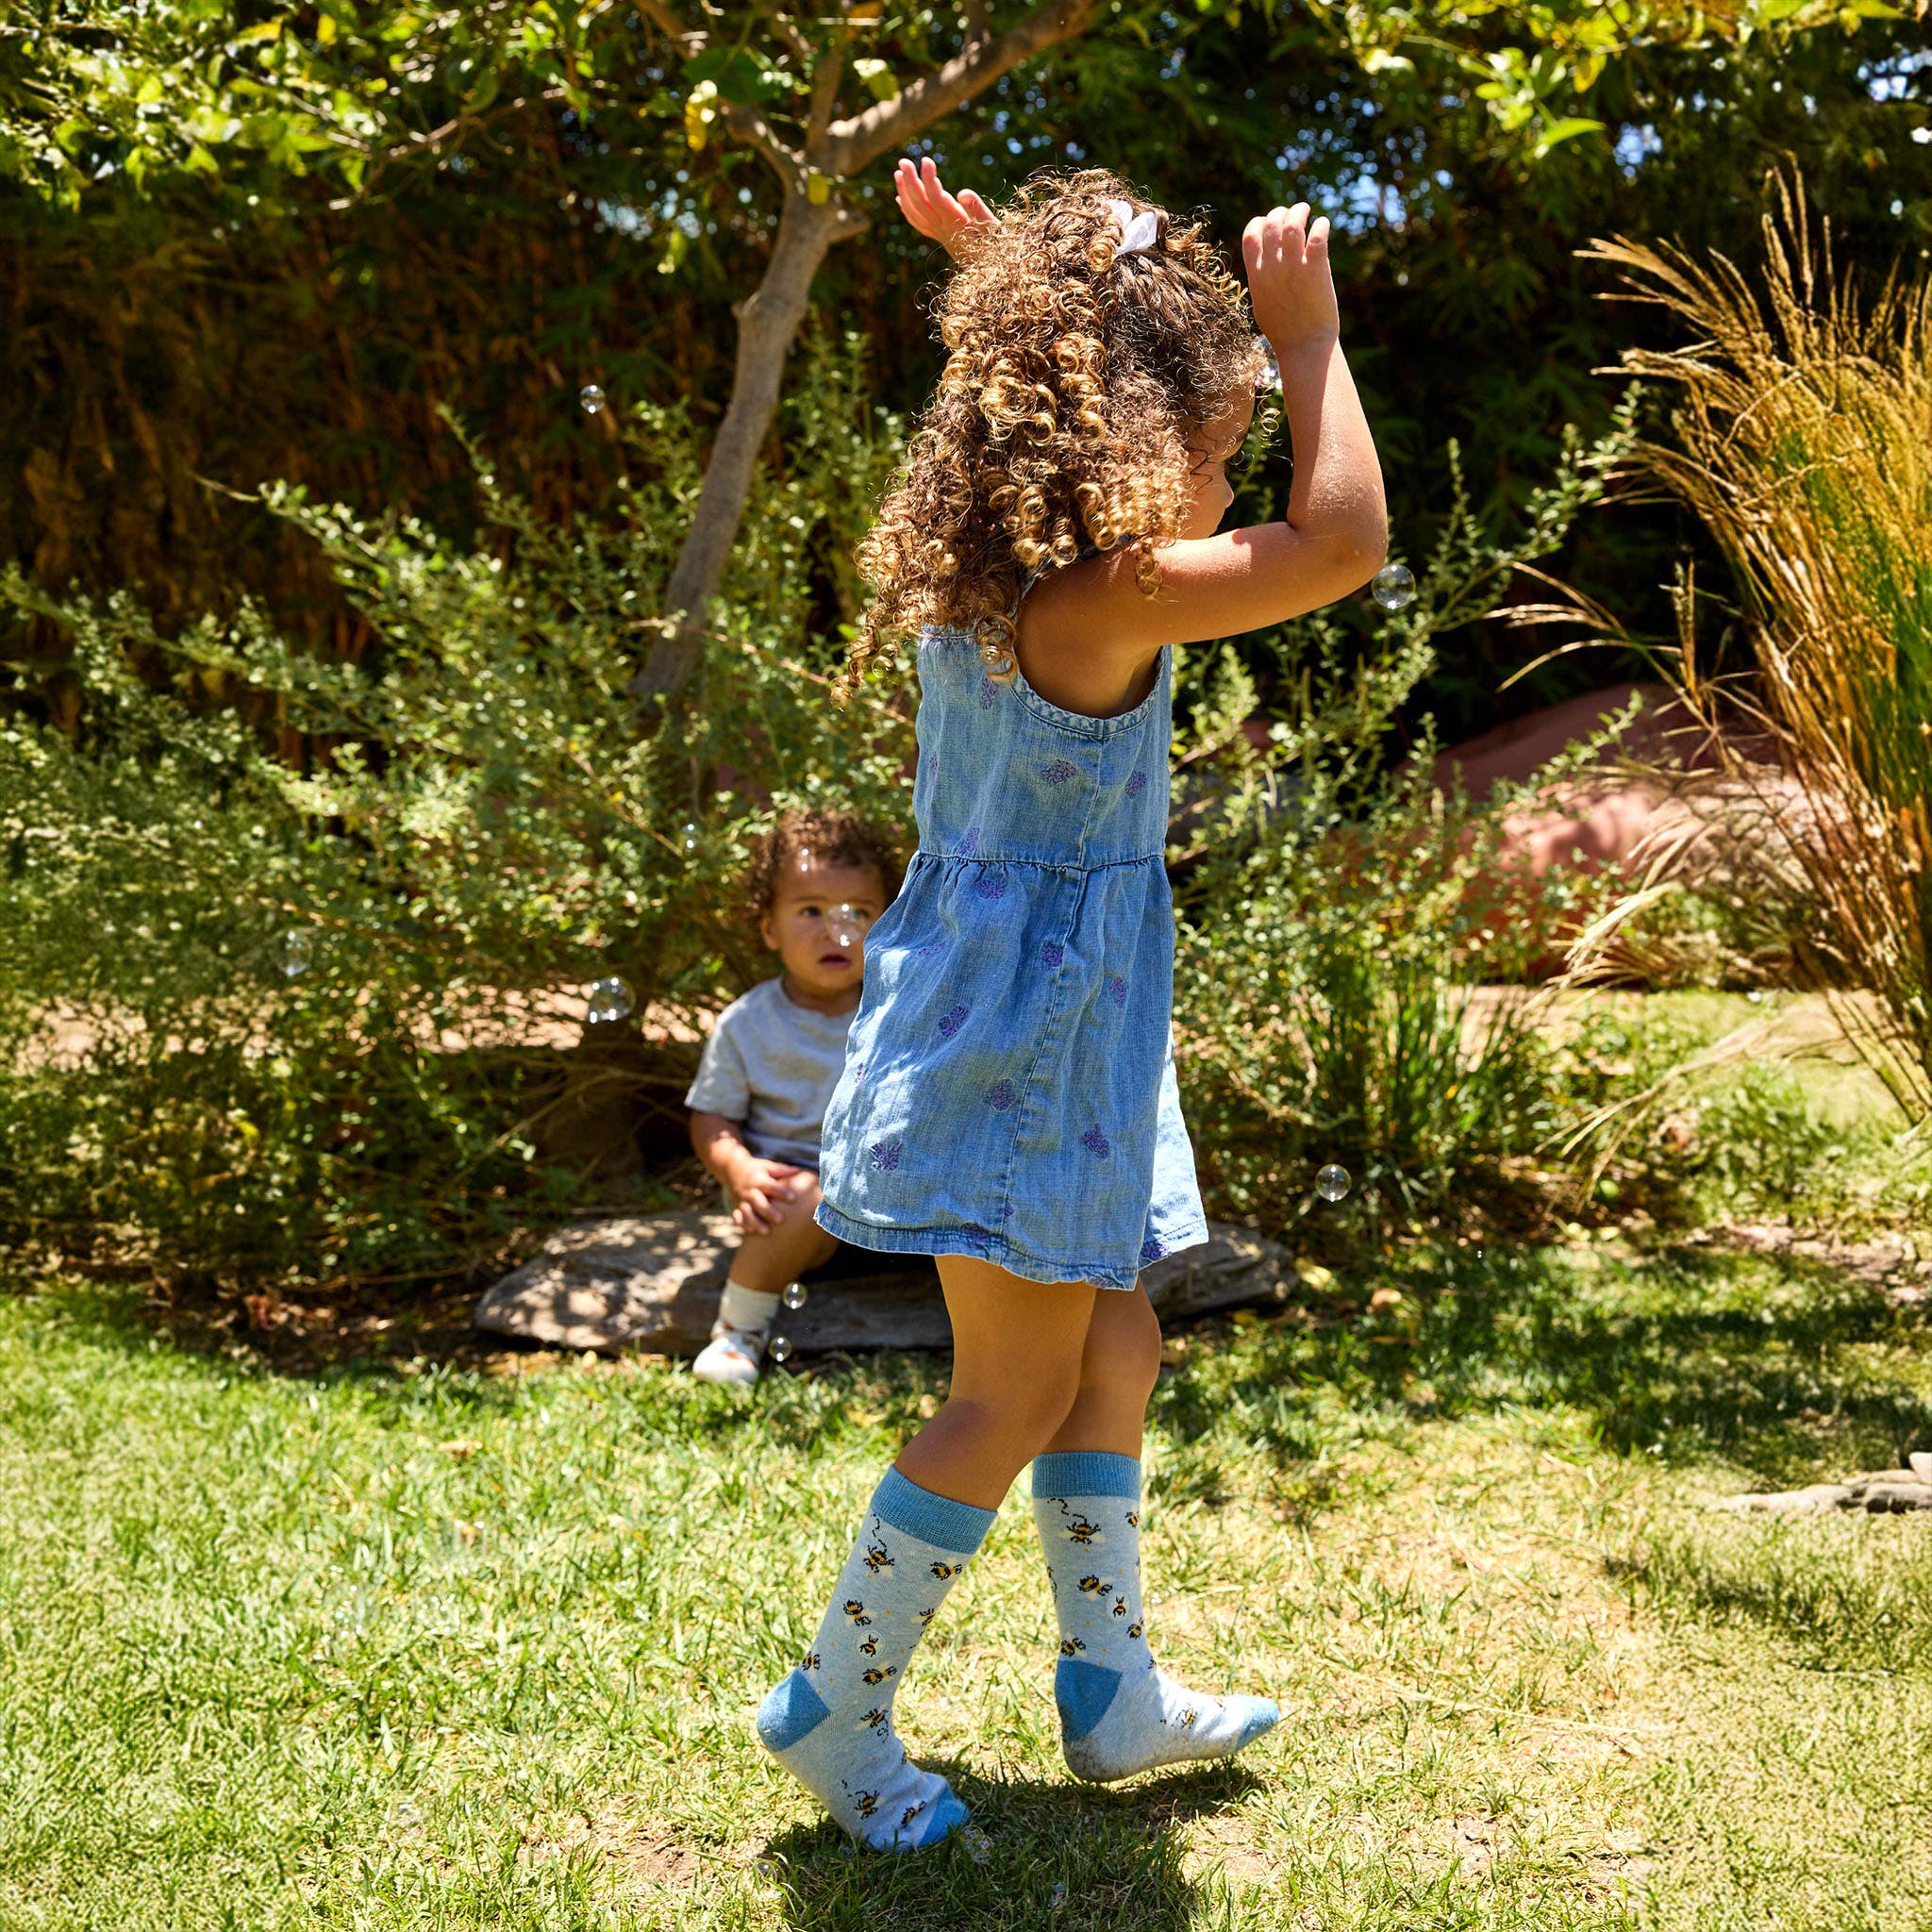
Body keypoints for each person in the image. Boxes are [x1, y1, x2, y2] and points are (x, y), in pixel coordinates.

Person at [754, 161, 1388, 1851]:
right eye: (1221, 435)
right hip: (1029, 1045)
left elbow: (1037, 380)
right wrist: (1307, 340)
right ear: (1120, 431)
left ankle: (1107, 1688)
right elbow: (1342, 543)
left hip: (1038, 1026)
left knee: (1114, 1339)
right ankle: (831, 1705)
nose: (1232, 468)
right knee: (1011, 1387)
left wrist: (1004, 270)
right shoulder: (1101, 598)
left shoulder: (1005, 575)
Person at [685, 808, 900, 1386]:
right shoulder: (748, 1023)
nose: (835, 931)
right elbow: (712, 1116)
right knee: (806, 1196)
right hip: (786, 1202)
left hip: (891, 1206)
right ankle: (738, 1333)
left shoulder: (901, 1012)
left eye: (858, 912)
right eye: (810, 911)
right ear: (769, 929)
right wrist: (739, 1170)